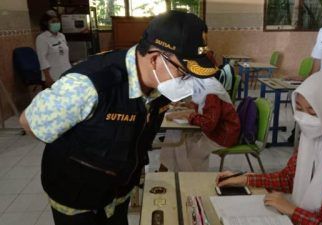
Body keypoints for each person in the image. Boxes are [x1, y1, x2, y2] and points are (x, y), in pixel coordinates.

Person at [19, 11, 218, 225]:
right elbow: (28, 122)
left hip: (119, 193)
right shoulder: (88, 85)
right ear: (154, 59)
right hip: (76, 200)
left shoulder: (159, 87)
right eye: (184, 72)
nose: (187, 81)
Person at [216, 71, 322, 224]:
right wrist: (245, 178)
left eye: (313, 112)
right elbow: (288, 179)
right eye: (299, 108)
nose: (305, 119)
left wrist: (293, 210)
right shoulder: (314, 137)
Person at [159, 77, 240, 171]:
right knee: (174, 135)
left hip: (223, 134)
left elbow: (209, 124)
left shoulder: (211, 93)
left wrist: (187, 115)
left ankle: (188, 178)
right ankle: (166, 171)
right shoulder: (205, 84)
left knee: (185, 147)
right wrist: (187, 105)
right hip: (216, 130)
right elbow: (205, 106)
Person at [36, 10, 71, 87]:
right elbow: (42, 59)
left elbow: (64, 55)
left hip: (66, 75)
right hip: (53, 77)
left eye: (57, 21)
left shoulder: (62, 36)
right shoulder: (42, 38)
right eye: (53, 21)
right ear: (46, 23)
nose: (56, 23)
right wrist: (48, 78)